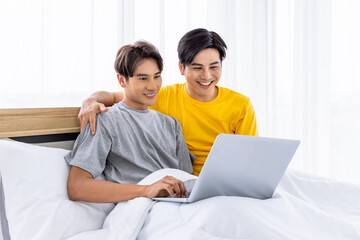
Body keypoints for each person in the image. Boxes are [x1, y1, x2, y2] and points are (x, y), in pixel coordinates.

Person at [79, 28, 258, 176]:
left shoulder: (241, 105)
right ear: (182, 68)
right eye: (197, 68)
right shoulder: (160, 95)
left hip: (231, 180)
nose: (206, 76)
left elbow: (250, 157)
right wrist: (90, 101)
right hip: (190, 183)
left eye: (214, 67)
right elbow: (113, 97)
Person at [65, 41, 194, 203]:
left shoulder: (172, 125)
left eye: (157, 76)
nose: (153, 86)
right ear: (122, 80)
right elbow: (77, 187)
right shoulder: (106, 120)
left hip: (177, 204)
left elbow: (187, 181)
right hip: (141, 205)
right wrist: (147, 190)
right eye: (142, 78)